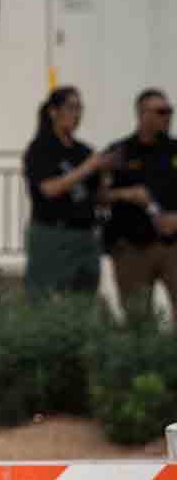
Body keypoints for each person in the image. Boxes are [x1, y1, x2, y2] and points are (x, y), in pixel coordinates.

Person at [21, 85, 114, 296]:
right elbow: (49, 189)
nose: (77, 114)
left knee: (84, 300)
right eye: (71, 107)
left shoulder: (84, 151)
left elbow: (99, 197)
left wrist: (106, 176)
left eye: (80, 108)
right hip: (52, 233)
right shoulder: (40, 148)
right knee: (43, 299)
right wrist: (88, 168)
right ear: (53, 111)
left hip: (85, 235)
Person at [101, 88, 177, 316]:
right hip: (131, 247)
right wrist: (125, 194)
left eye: (170, 111)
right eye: (162, 111)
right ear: (142, 114)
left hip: (172, 246)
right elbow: (98, 196)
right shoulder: (119, 152)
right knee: (138, 318)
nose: (168, 116)